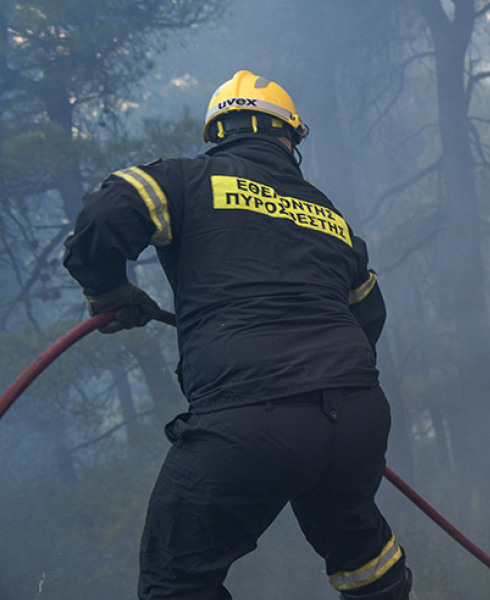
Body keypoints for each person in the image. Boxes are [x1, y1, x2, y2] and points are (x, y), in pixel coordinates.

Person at [62, 69, 411, 600]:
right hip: (356, 417)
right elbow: (369, 316)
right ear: (288, 138)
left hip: (250, 417)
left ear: (218, 135)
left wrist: (109, 292)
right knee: (362, 552)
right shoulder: (329, 217)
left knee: (176, 579)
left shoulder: (184, 180)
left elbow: (108, 212)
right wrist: (334, 390)